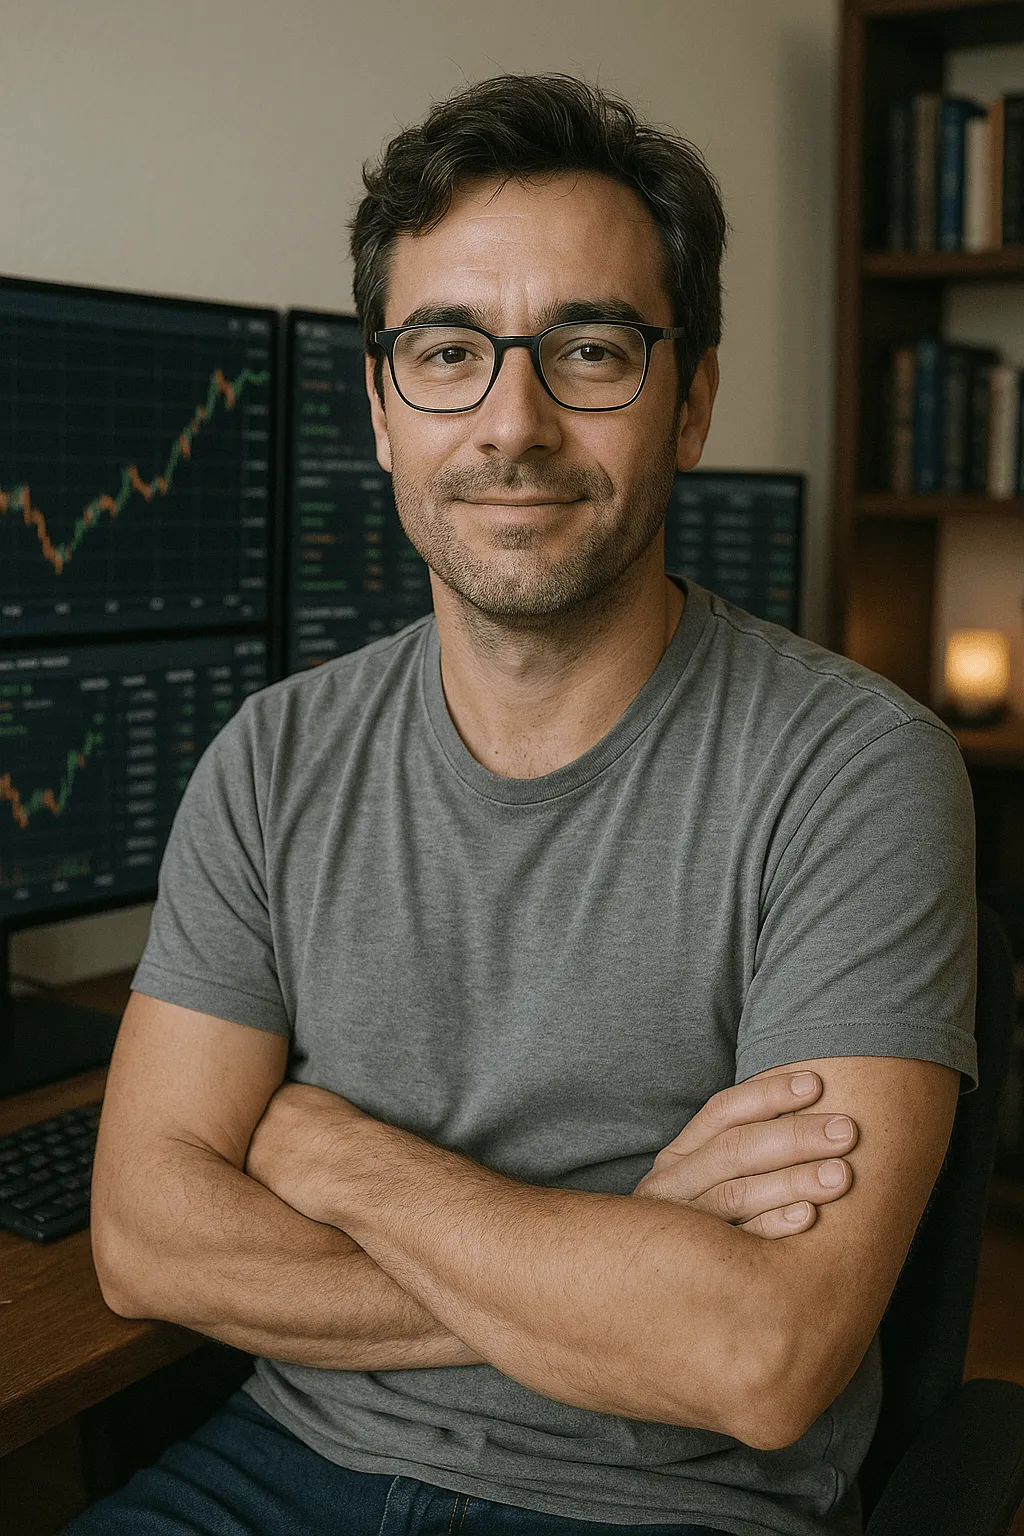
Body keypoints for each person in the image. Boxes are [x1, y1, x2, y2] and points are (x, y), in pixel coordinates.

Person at [75, 74, 976, 1536]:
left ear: (691, 403)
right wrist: (625, 1264)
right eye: (447, 351)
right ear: (380, 409)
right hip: (272, 1474)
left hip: (660, 1507)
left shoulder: (854, 771)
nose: (515, 422)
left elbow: (761, 1356)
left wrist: (326, 1150)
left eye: (592, 350)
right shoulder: (273, 756)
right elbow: (142, 1242)